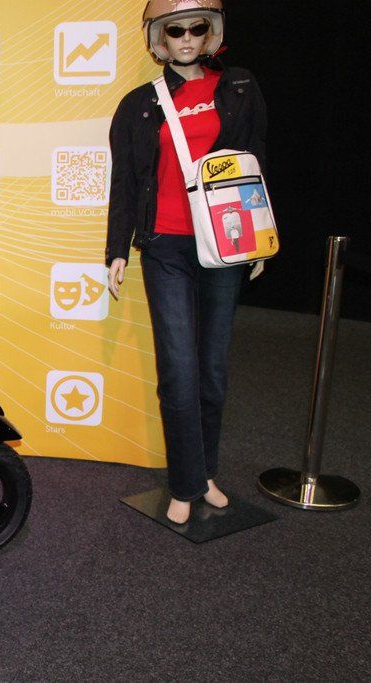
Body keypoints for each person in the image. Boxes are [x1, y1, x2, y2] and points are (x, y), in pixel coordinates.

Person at [105, 0, 267, 525]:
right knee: (178, 369)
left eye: (198, 27)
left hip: (224, 242)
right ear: (159, 38)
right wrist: (116, 249)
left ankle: (207, 473)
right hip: (166, 246)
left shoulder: (238, 87)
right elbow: (125, 181)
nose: (188, 38)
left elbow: (254, 163)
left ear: (211, 32)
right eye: (176, 30)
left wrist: (258, 238)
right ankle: (184, 482)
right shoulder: (139, 104)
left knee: (212, 369)